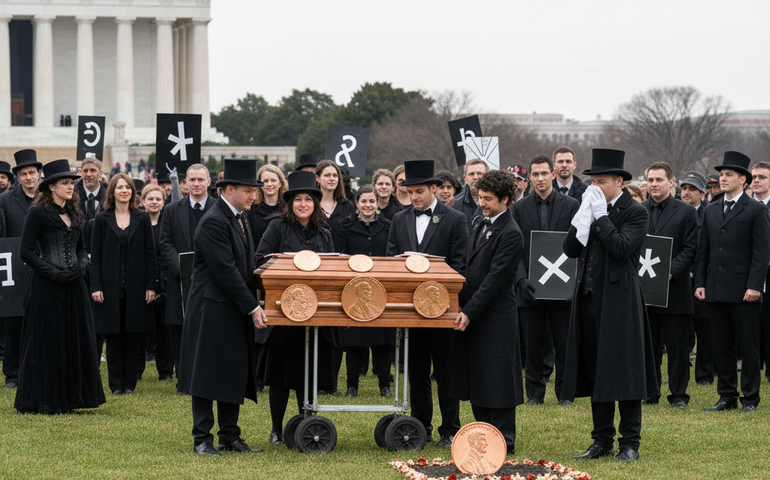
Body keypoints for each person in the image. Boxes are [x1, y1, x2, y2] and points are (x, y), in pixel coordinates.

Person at [563, 148, 657, 463]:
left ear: (619, 181)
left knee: (625, 371)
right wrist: (583, 218)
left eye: (601, 182)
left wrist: (601, 216)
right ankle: (601, 439)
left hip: (620, 301)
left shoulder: (635, 211)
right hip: (589, 300)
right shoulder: (590, 206)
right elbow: (571, 249)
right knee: (595, 371)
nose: (594, 188)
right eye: (592, 181)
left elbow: (620, 248)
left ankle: (630, 442)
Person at [178, 158, 267, 456]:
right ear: (229, 189)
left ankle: (229, 436)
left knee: (232, 371)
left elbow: (246, 266)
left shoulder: (240, 217)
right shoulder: (214, 221)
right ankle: (201, 438)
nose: (253, 195)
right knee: (206, 373)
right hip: (211, 309)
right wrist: (253, 307)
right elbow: (225, 271)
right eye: (247, 190)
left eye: (253, 190)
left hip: (231, 308)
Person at [386, 160, 469, 448]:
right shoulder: (399, 219)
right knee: (417, 371)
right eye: (410, 192)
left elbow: (460, 265)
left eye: (420, 191)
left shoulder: (455, 219)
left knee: (445, 372)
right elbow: (390, 260)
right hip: (410, 309)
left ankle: (450, 429)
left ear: (435, 188)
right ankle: (421, 425)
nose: (415, 197)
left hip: (442, 308)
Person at [15, 159, 105, 414]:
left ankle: (72, 397)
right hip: (46, 287)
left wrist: (79, 267)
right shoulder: (38, 213)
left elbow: (81, 248)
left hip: (74, 286)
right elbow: (26, 252)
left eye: (71, 183)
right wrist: (53, 272)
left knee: (73, 338)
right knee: (48, 340)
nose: (70, 187)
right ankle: (45, 398)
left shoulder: (76, 213)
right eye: (65, 183)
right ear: (51, 186)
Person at [256, 170, 337, 445]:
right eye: (298, 199)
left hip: (315, 313)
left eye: (308, 200)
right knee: (281, 375)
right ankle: (277, 429)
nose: (303, 204)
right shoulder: (277, 226)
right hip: (284, 312)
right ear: (289, 203)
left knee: (308, 371)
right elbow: (260, 260)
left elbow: (333, 267)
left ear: (315, 203)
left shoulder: (324, 231)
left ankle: (306, 422)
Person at [451, 169, 522, 454]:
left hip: (496, 317)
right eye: (480, 197)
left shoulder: (511, 232)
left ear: (505, 199)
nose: (482, 202)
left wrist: (468, 311)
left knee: (497, 379)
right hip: (474, 313)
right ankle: (483, 433)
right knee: (478, 377)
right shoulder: (479, 223)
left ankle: (504, 439)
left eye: (488, 198)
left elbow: (495, 279)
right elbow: (468, 268)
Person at [695, 152, 770, 413]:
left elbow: (762, 253)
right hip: (715, 288)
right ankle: (726, 395)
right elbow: (703, 250)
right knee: (722, 346)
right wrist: (700, 282)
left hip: (744, 290)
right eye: (722, 175)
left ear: (743, 180)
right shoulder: (712, 208)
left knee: (749, 347)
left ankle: (750, 397)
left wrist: (754, 285)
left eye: (728, 175)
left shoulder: (757, 210)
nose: (722, 179)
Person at [511, 155, 579, 407]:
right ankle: (534, 394)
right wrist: (521, 280)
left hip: (563, 288)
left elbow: (579, 244)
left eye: (543, 173)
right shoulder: (518, 209)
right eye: (535, 174)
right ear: (529, 177)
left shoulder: (572, 205)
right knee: (533, 346)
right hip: (530, 288)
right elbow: (514, 250)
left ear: (552, 174)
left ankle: (565, 394)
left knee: (564, 345)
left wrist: (573, 283)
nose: (539, 178)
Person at [91, 173, 157, 395]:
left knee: (132, 335)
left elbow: (150, 254)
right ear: (112, 191)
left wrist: (151, 285)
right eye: (119, 187)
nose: (124, 191)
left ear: (132, 192)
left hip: (137, 287)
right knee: (113, 336)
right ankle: (115, 384)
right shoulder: (102, 219)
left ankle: (130, 384)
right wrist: (96, 286)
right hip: (109, 288)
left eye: (127, 187)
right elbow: (96, 256)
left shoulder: (142, 218)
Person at [642, 162, 698, 408]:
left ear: (671, 182)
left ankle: (678, 395)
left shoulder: (686, 212)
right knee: (649, 345)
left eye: (659, 180)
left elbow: (690, 249)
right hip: (645, 290)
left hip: (674, 290)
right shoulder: (639, 210)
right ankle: (650, 392)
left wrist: (670, 272)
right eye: (650, 180)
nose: (654, 184)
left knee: (676, 348)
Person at [335, 185, 394, 398]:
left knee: (383, 343)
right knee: (354, 343)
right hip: (355, 290)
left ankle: (384, 385)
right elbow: (340, 256)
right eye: (364, 201)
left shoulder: (389, 226)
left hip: (381, 289)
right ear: (357, 203)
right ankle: (352, 386)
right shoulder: (345, 226)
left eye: (371, 201)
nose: (367, 205)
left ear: (377, 203)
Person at [159, 164, 214, 386]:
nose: (196, 184)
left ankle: (206, 377)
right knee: (180, 331)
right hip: (179, 281)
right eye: (192, 180)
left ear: (209, 182)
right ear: (185, 183)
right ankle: (183, 380)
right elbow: (164, 243)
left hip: (211, 280)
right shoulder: (172, 210)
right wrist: (183, 269)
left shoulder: (219, 208)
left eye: (201, 179)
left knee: (208, 328)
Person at [0, 149, 42, 389]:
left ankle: (37, 369)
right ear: (17, 177)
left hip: (43, 268)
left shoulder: (50, 198)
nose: (28, 177)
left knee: (40, 323)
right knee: (14, 325)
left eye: (32, 173)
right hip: (15, 269)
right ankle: (13, 375)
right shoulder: (5, 201)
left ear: (39, 174)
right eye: (24, 173)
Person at [679, 171, 713, 386]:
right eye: (684, 188)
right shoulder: (675, 213)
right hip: (680, 277)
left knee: (706, 330)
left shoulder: (710, 215)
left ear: (702, 193)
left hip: (703, 279)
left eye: (692, 189)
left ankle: (704, 375)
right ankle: (681, 371)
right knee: (681, 331)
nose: (687, 192)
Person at [140, 184, 174, 382]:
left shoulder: (168, 223)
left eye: (158, 199)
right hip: (142, 281)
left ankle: (166, 371)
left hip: (165, 282)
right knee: (141, 330)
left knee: (165, 330)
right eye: (150, 199)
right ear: (142, 201)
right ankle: (137, 369)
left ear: (163, 202)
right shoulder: (137, 222)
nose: (154, 202)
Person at [750, 162, 770, 383]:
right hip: (750, 274)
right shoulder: (746, 207)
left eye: (762, 177)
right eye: (754, 176)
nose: (756, 180)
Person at [315, 160, 355, 242]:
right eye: (327, 175)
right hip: (316, 254)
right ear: (318, 178)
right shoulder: (310, 205)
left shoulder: (347, 205)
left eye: (335, 175)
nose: (332, 179)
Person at [75, 154, 107, 254]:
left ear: (100, 173)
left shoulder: (110, 194)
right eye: (85, 171)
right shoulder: (71, 194)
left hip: (103, 249)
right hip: (78, 251)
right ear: (81, 173)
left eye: (93, 170)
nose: (89, 174)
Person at [246, 164, 287, 243]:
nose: (269, 184)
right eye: (265, 181)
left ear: (280, 183)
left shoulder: (288, 208)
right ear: (259, 184)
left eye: (273, 180)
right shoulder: (251, 209)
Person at [452, 159, 488, 225]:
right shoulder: (454, 204)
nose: (475, 177)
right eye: (471, 174)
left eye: (479, 173)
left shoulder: (498, 202)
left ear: (487, 176)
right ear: (465, 178)